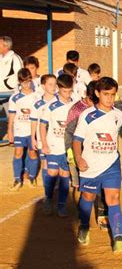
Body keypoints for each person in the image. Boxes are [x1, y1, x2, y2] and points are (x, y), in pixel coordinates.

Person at [73, 77, 122, 253]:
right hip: (90, 166)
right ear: (98, 93)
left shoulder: (118, 115)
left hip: (112, 164)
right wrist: (78, 158)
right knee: (88, 198)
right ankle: (84, 226)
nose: (110, 98)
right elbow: (77, 140)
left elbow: (114, 136)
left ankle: (118, 238)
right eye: (106, 94)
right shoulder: (87, 115)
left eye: (113, 95)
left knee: (113, 198)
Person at [40, 74, 76, 217]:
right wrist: (44, 144)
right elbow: (42, 126)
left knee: (64, 176)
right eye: (65, 91)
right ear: (59, 88)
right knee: (52, 173)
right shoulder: (51, 106)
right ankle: (48, 198)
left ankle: (61, 205)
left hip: (67, 148)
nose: (68, 94)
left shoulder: (75, 104)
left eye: (70, 91)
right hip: (53, 146)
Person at [7, 68, 40, 191]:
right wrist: (10, 131)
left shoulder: (37, 96)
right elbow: (11, 115)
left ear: (31, 80)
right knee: (18, 153)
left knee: (32, 153)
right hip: (19, 131)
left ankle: (32, 176)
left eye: (28, 81)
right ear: (19, 82)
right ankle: (17, 179)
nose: (26, 84)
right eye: (23, 82)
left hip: (32, 132)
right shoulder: (15, 98)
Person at [30, 74, 57, 186]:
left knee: (57, 165)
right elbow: (33, 122)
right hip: (43, 140)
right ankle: (48, 191)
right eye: (50, 84)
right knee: (45, 163)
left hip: (57, 140)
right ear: (43, 86)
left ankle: (57, 187)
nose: (53, 87)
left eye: (55, 84)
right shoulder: (37, 104)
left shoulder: (59, 102)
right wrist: (33, 138)